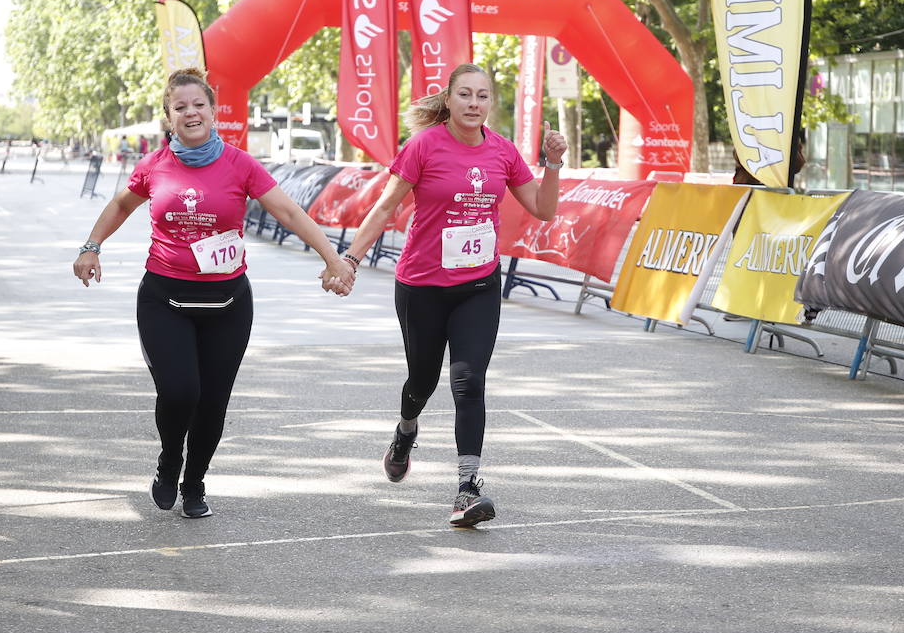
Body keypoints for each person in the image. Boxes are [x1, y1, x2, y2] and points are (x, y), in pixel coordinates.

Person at [72, 68, 355, 519]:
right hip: (165, 300)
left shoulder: (241, 164)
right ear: (169, 117)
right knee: (181, 391)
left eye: (198, 104)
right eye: (180, 106)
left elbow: (286, 209)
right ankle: (170, 460)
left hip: (227, 305)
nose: (190, 112)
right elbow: (121, 204)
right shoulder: (154, 166)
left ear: (212, 110)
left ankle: (195, 481)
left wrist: (333, 258)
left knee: (213, 403)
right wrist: (92, 246)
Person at [332, 63, 567, 527]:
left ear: (489, 104)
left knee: (468, 380)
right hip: (421, 285)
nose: (474, 103)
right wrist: (350, 261)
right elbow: (385, 208)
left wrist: (553, 165)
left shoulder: (502, 151)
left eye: (482, 96)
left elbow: (542, 208)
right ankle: (405, 431)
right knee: (421, 381)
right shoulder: (424, 145)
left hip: (477, 285)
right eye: (465, 94)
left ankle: (467, 488)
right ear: (450, 99)